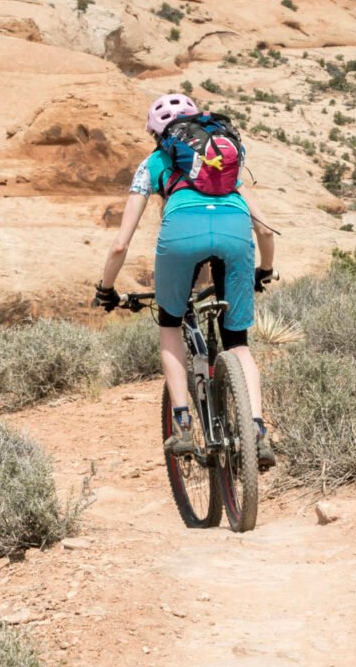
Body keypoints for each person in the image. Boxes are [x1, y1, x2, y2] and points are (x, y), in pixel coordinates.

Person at [94, 93, 276, 470]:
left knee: (170, 326)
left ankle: (181, 423)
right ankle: (257, 430)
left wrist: (106, 289)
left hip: (180, 238)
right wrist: (265, 270)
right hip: (236, 237)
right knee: (239, 344)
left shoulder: (153, 164)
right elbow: (266, 230)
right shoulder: (221, 164)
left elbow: (119, 244)